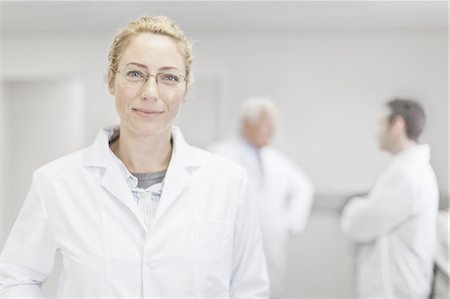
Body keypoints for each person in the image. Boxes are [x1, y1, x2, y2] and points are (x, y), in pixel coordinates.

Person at [0, 16, 269, 298]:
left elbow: (250, 288)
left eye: (169, 77)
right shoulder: (55, 182)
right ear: (110, 80)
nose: (150, 93)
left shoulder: (229, 183)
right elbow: (15, 279)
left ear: (186, 89)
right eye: (135, 74)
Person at [209, 98, 314, 298]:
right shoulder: (220, 153)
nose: (272, 131)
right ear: (248, 124)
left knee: (268, 289)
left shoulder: (275, 159)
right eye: (267, 124)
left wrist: (290, 223)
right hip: (231, 243)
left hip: (270, 242)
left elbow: (304, 186)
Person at [341, 99, 439, 298]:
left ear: (397, 125)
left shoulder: (408, 175)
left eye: (381, 123)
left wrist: (352, 208)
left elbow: (360, 224)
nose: (377, 131)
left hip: (397, 290)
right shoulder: (406, 169)